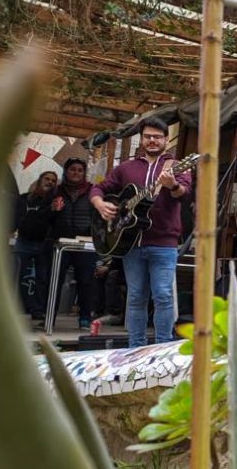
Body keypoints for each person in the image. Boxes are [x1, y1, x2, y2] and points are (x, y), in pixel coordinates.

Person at [90, 120, 192, 347]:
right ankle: (135, 347)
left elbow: (185, 195)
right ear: (142, 139)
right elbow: (99, 188)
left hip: (164, 242)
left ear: (166, 139)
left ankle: (163, 347)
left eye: (157, 136)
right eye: (148, 136)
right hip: (130, 243)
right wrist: (100, 204)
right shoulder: (126, 168)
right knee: (136, 297)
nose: (152, 140)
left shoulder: (175, 165)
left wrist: (173, 185)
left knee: (163, 296)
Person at [52, 157, 101, 330]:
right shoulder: (56, 190)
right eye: (72, 169)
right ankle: (49, 316)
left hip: (85, 242)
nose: (76, 173)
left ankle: (85, 318)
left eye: (80, 170)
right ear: (66, 171)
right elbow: (47, 216)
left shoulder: (93, 191)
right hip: (61, 242)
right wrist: (53, 209)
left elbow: (99, 215)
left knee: (86, 281)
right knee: (55, 280)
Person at [14, 170, 57, 322]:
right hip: (23, 242)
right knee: (16, 276)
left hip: (43, 244)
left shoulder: (54, 202)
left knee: (42, 279)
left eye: (53, 180)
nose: (50, 182)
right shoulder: (25, 199)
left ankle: (37, 310)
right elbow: (16, 216)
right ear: (40, 180)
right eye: (47, 179)